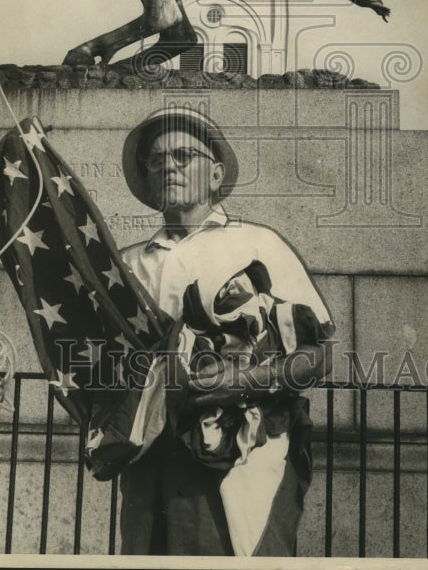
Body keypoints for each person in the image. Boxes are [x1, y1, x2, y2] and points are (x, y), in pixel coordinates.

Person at [116, 106, 335, 557]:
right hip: (150, 458)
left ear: (215, 174)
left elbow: (316, 354)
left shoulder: (258, 243)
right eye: (156, 161)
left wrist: (237, 381)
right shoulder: (126, 264)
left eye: (183, 156)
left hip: (242, 451)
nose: (168, 167)